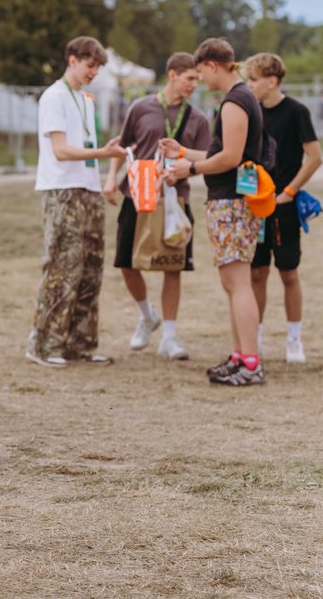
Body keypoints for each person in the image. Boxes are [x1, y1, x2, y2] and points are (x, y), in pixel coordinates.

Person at [161, 38, 267, 386]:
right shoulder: (241, 98)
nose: (201, 80)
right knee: (232, 282)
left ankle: (250, 363)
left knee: (238, 282)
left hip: (232, 201)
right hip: (233, 199)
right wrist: (183, 153)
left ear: (212, 65)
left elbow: (230, 158)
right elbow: (219, 152)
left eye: (201, 72)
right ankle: (240, 356)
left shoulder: (235, 101)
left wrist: (188, 170)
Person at [26, 36, 126, 368]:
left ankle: (80, 343)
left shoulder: (85, 99)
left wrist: (102, 158)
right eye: (89, 65)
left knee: (90, 269)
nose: (93, 72)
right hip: (62, 190)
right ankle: (44, 344)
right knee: (62, 266)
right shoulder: (54, 96)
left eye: (97, 67)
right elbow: (61, 150)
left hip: (88, 188)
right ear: (72, 60)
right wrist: (103, 153)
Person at [104, 52, 211, 360]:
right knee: (127, 262)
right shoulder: (141, 107)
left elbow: (208, 159)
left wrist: (183, 166)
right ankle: (146, 315)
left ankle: (170, 337)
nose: (194, 85)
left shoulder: (198, 118)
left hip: (175, 200)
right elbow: (122, 147)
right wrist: (111, 179)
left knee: (172, 267)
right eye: (190, 78)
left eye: (197, 79)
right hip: (136, 195)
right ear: (172, 74)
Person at [244, 53, 322, 363]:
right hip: (255, 206)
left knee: (288, 274)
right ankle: (255, 337)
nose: (249, 85)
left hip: (284, 209)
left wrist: (289, 191)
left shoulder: (296, 111)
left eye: (254, 79)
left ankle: (294, 339)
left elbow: (315, 157)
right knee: (256, 273)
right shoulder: (250, 112)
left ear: (272, 81)